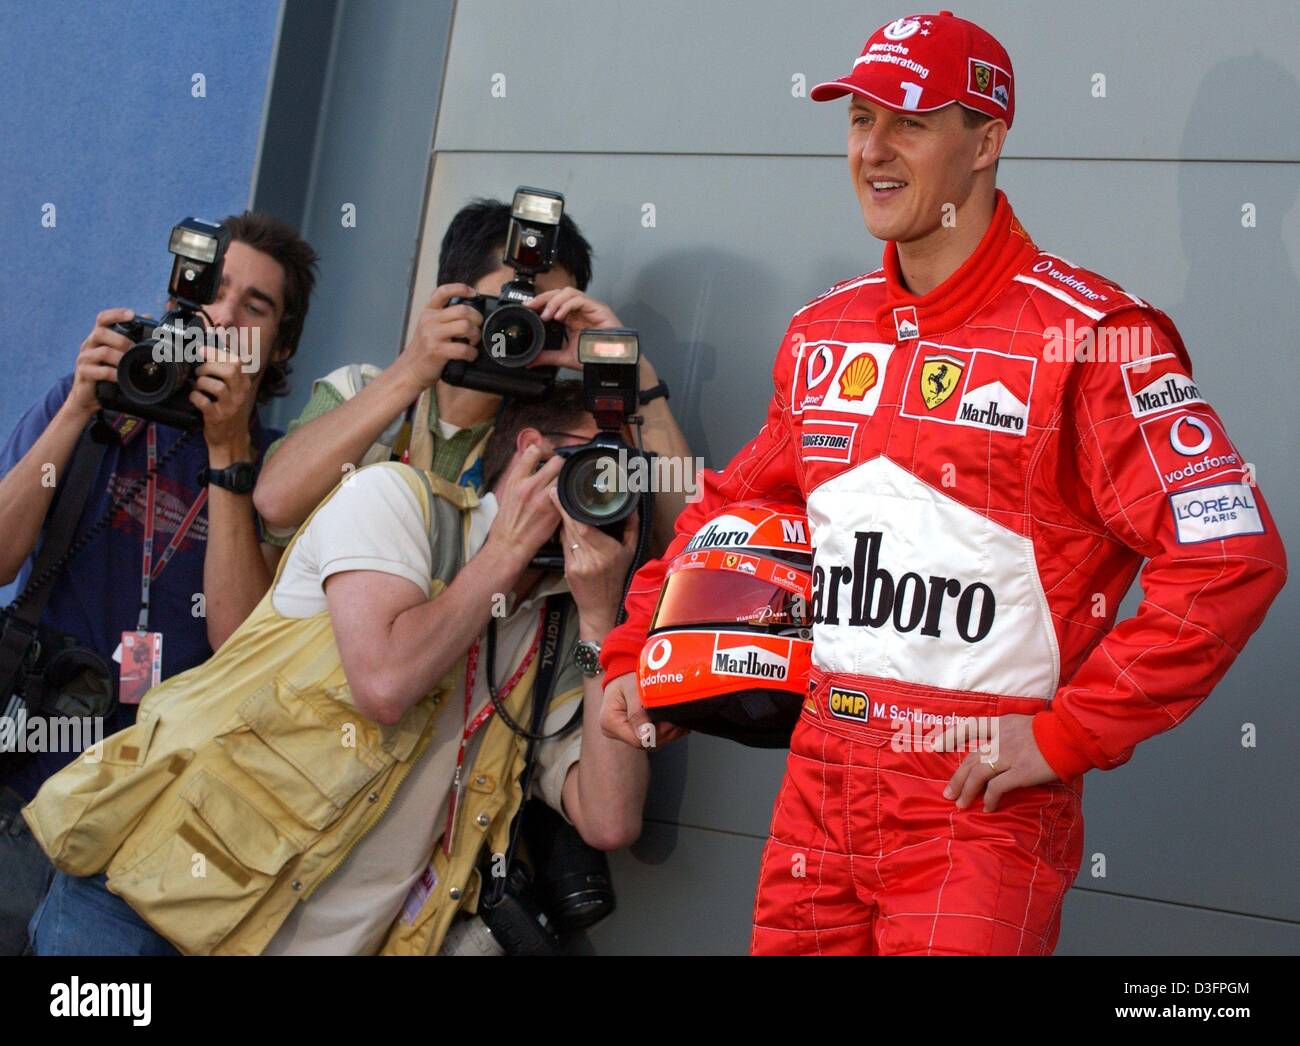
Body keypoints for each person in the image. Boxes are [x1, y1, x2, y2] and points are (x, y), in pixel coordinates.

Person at [599, 11, 1288, 955]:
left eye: (910, 123)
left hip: (977, 811)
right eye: (857, 121)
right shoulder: (824, 335)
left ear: (987, 140)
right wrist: (641, 654)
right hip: (819, 794)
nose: (873, 151)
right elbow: (736, 504)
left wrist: (1068, 736)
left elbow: (1229, 558)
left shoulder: (1093, 337)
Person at [24, 382, 650, 956]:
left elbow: (609, 817)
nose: (604, 491)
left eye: (621, 479)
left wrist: (601, 624)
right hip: (144, 910)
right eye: (592, 463)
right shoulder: (393, 500)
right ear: (532, 451)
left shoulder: (562, 630)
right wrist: (508, 551)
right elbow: (385, 683)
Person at [0, 211, 318, 954]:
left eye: (256, 308)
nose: (225, 315)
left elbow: (240, 641)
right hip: (22, 779)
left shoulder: (278, 473)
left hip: (142, 831)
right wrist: (81, 404)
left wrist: (228, 451)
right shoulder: (94, 405)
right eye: (216, 290)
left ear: (281, 348)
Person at [254, 197, 694, 555]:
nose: (520, 333)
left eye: (543, 316)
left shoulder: (568, 431)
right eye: (507, 312)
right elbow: (276, 504)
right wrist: (410, 371)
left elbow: (682, 543)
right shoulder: (364, 391)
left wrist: (639, 383)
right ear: (451, 297)